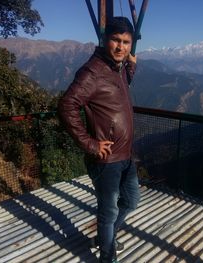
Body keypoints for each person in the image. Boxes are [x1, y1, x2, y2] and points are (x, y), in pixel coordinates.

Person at [58, 17, 140, 263]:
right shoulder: (92, 71)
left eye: (126, 42)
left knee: (131, 201)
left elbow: (120, 87)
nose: (120, 47)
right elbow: (66, 106)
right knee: (108, 212)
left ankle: (107, 238)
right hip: (106, 160)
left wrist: (132, 67)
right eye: (116, 40)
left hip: (126, 155)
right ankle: (107, 256)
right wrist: (90, 144)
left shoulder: (120, 69)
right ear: (105, 39)